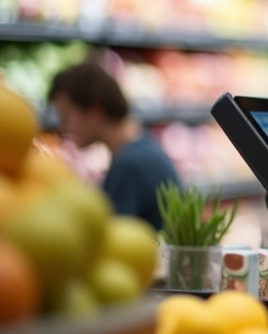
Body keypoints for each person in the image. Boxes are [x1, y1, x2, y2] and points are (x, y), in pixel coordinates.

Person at [48, 62, 181, 231]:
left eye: (66, 117)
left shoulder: (130, 165)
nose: (63, 128)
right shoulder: (141, 149)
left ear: (95, 111)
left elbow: (107, 239)